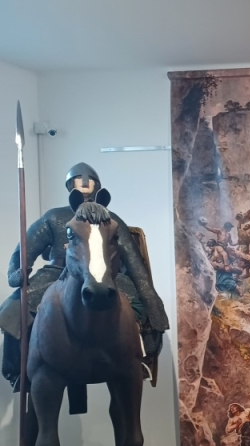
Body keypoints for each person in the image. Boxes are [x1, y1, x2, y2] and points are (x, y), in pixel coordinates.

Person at [0, 163, 168, 406]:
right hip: (57, 273)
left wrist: (149, 296)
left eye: (90, 183)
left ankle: (139, 358)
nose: (85, 186)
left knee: (138, 310)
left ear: (98, 187)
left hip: (106, 274)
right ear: (70, 187)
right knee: (13, 312)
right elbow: (24, 250)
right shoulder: (53, 217)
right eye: (79, 182)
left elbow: (133, 261)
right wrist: (18, 271)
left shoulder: (111, 220)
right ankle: (19, 370)